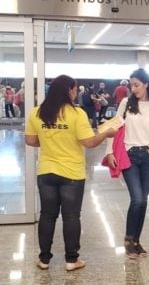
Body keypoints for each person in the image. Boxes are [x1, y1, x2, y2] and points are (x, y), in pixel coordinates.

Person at [25, 75, 116, 271]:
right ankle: (71, 260)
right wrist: (106, 134)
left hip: (46, 171)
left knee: (47, 215)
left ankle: (44, 259)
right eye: (75, 90)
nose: (76, 94)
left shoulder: (37, 112)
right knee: (71, 216)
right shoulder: (77, 114)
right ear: (69, 91)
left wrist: (50, 141)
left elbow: (31, 140)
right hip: (72, 174)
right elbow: (89, 142)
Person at [106, 68, 149, 259]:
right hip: (129, 156)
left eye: (136, 85)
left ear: (146, 84)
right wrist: (110, 151)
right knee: (137, 198)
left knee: (143, 201)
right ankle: (129, 239)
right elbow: (114, 127)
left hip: (148, 156)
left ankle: (136, 240)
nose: (133, 88)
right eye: (131, 85)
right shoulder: (126, 103)